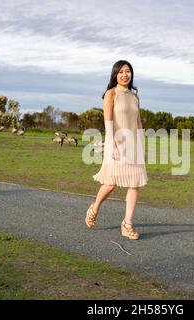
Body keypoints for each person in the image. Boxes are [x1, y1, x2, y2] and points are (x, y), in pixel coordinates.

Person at [85, 60, 148, 240]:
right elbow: (108, 122)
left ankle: (127, 224)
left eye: (128, 71)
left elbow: (138, 123)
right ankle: (95, 206)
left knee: (134, 183)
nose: (125, 75)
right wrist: (112, 143)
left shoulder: (135, 96)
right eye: (121, 72)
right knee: (111, 182)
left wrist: (142, 146)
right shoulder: (110, 94)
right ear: (115, 75)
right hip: (116, 143)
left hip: (134, 143)